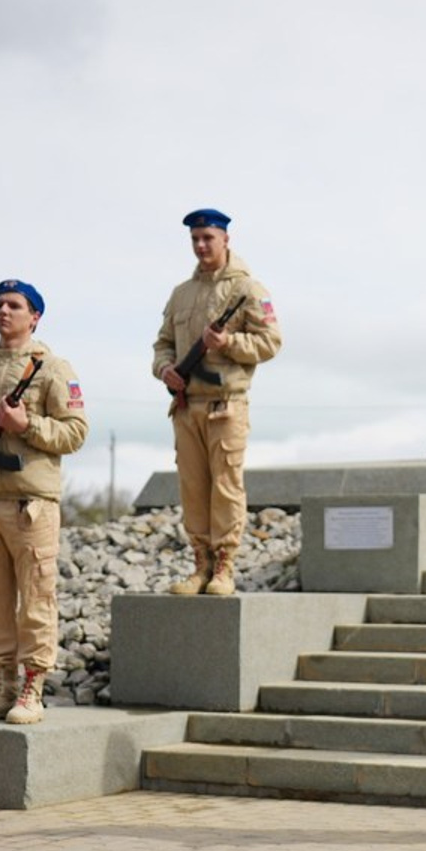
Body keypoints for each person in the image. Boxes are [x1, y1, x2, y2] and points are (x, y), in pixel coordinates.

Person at [0, 280, 88, 725]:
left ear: (35, 316)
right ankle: (1, 688)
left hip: (31, 504)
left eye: (14, 305)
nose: (3, 311)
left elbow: (75, 432)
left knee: (35, 599)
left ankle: (33, 688)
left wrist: (27, 425)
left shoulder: (52, 368)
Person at [153, 208, 282, 596]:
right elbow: (162, 344)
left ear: (226, 239)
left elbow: (271, 342)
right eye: (195, 239)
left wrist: (228, 343)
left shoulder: (248, 290)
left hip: (227, 403)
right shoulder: (181, 294)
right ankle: (200, 565)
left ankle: (224, 566)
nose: (201, 245)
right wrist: (166, 370)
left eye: (208, 237)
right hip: (187, 404)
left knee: (225, 486)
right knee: (193, 488)